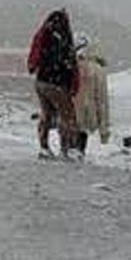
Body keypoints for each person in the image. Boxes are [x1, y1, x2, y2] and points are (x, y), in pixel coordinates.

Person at [28, 9, 82, 159]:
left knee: (46, 114)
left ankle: (44, 147)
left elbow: (36, 55)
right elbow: (68, 62)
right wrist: (72, 82)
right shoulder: (62, 37)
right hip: (57, 83)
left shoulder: (43, 33)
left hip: (41, 81)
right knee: (67, 115)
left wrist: (34, 67)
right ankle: (66, 149)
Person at [74, 36, 111, 148]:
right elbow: (102, 100)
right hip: (87, 111)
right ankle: (79, 150)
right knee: (82, 131)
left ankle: (70, 149)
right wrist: (104, 131)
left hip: (72, 112)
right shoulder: (97, 69)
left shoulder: (72, 65)